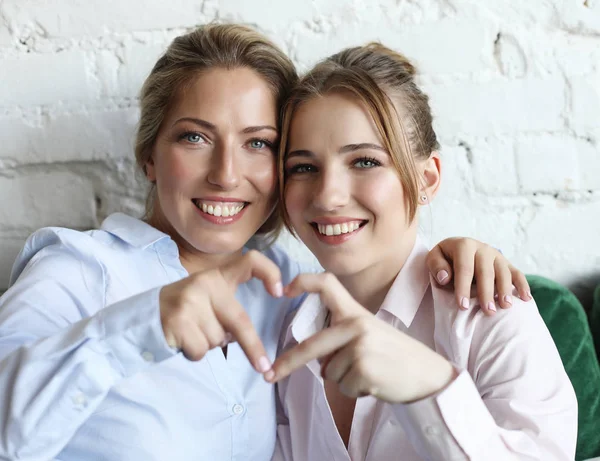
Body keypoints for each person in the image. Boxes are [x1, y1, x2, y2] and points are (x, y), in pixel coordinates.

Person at [0, 25, 529, 461]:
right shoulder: (76, 270)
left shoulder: (287, 293)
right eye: (195, 137)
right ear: (150, 157)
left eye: (258, 143)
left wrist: (450, 251)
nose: (227, 175)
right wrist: (140, 326)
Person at [268, 43, 577, 460]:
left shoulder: (490, 315)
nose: (328, 196)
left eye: (364, 162)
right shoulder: (288, 333)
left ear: (427, 179)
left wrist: (426, 386)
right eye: (303, 168)